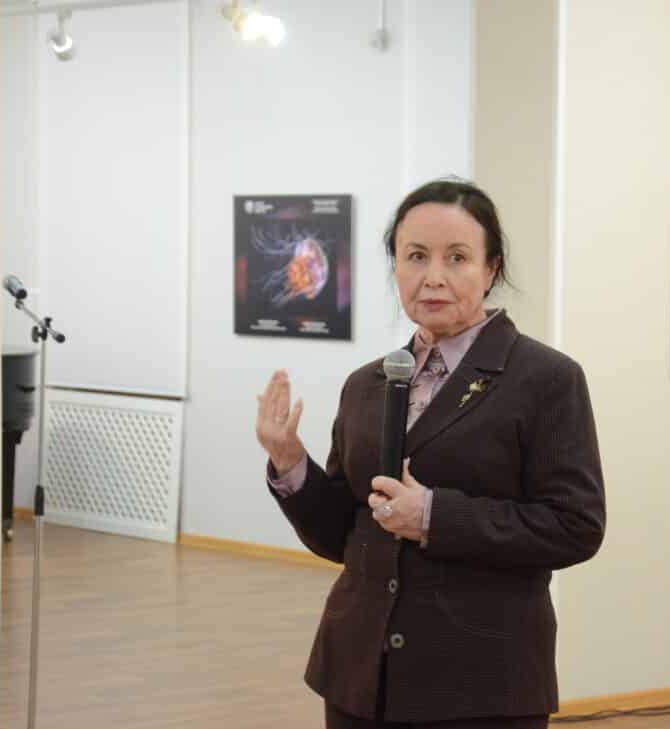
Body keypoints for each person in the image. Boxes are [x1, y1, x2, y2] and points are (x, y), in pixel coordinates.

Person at [255, 179, 605, 728]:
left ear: (491, 269)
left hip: (479, 684)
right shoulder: (367, 384)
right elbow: (342, 534)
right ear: (395, 266)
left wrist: (433, 516)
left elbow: (575, 526)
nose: (433, 276)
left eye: (457, 258)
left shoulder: (546, 379)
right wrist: (290, 463)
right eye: (416, 256)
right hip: (358, 674)